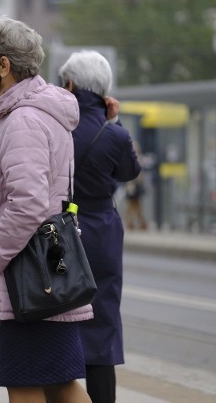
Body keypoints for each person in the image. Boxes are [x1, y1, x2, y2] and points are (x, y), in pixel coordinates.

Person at [0, 16, 93, 403]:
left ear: (3, 66)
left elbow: (28, 204)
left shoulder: (23, 119)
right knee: (60, 382)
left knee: (25, 383)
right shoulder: (35, 112)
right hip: (47, 266)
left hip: (30, 274)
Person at [59, 50, 142, 403]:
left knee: (58, 318)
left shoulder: (57, 126)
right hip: (103, 231)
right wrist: (115, 122)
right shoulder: (115, 134)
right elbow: (130, 172)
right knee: (103, 320)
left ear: (72, 85)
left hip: (60, 229)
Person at [124, 141, 148, 230]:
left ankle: (138, 222)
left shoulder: (139, 158)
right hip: (131, 185)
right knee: (132, 205)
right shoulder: (130, 159)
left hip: (136, 185)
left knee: (136, 205)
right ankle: (135, 222)